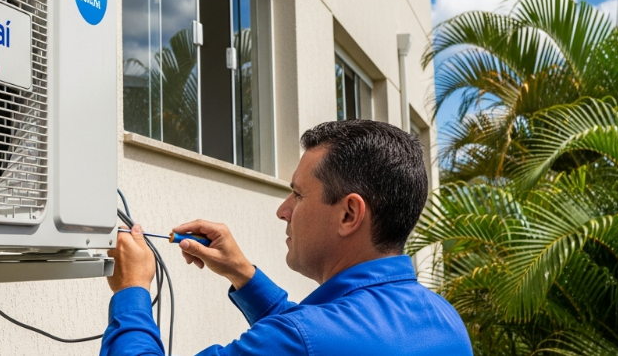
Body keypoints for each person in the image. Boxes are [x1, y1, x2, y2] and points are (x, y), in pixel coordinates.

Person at [101, 120, 473, 355]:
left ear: (349, 214)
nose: (283, 210)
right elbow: (323, 336)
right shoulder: (445, 320)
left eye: (298, 194)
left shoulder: (300, 339)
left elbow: (306, 339)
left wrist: (132, 291)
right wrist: (243, 275)